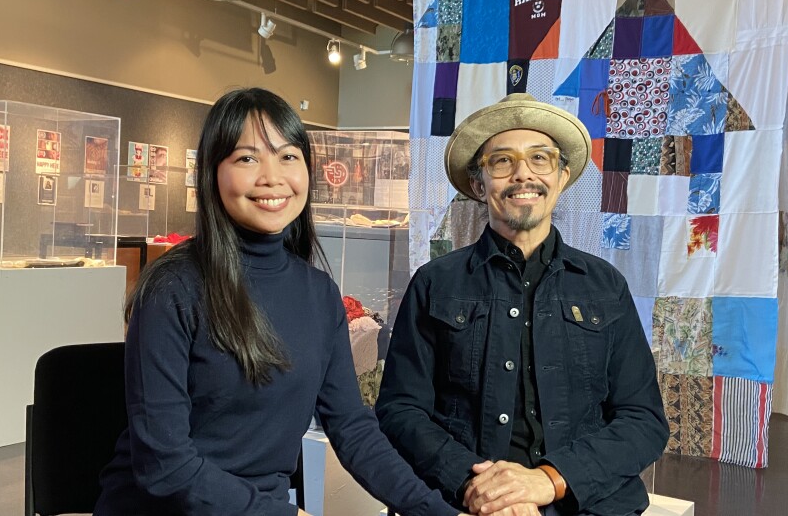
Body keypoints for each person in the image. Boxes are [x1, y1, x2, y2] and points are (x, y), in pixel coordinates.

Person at [94, 88, 470, 516]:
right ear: (212, 173)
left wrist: (439, 511)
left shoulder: (319, 293)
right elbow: (166, 466)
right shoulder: (172, 289)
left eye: (288, 156)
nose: (272, 177)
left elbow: (352, 428)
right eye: (247, 158)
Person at [375, 93, 669, 516]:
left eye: (540, 159)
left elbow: (644, 420)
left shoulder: (606, 287)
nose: (522, 175)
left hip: (586, 504)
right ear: (479, 184)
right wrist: (476, 486)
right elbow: (400, 409)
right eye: (502, 162)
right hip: (463, 501)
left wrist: (549, 481)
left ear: (562, 176)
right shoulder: (434, 283)